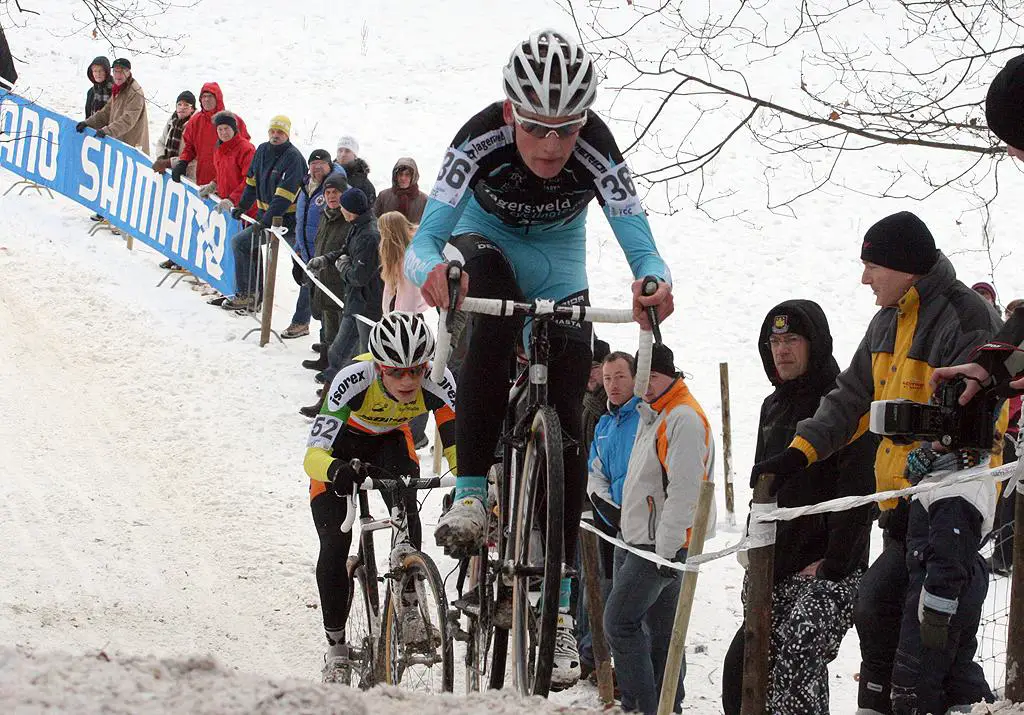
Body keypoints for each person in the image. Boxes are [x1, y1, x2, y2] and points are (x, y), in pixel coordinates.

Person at [404, 29, 673, 689]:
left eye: (567, 129)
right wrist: (433, 270)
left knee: (570, 398)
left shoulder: (598, 149)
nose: (553, 145)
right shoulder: (477, 140)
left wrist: (651, 281)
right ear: (509, 115)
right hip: (483, 239)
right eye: (537, 128)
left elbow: (642, 245)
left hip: (558, 257)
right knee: (491, 311)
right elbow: (424, 240)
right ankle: (472, 492)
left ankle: (552, 608)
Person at [749, 211, 1001, 714]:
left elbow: (976, 415)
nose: (864, 278)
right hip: (898, 513)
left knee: (927, 649)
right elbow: (850, 397)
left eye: (871, 266)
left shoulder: (963, 315)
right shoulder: (886, 320)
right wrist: (800, 453)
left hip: (950, 504)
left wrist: (932, 451)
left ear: (904, 266)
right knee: (876, 616)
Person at [720, 300, 876, 715]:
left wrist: (832, 565)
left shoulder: (843, 404)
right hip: (777, 566)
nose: (781, 350)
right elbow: (763, 489)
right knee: (742, 667)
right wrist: (755, 552)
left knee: (795, 658)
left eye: (791, 340)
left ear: (816, 344)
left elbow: (859, 495)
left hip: (833, 571)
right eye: (774, 341)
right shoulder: (771, 407)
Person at [302, 312, 457, 683]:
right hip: (341, 447)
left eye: (416, 371)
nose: (408, 380)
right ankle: (337, 649)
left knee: (407, 506)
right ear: (379, 367)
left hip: (390, 443)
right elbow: (312, 455)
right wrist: (335, 470)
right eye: (396, 372)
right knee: (335, 544)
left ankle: (407, 603)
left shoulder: (439, 380)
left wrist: (467, 487)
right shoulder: (352, 380)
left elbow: (456, 447)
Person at [603, 343, 714, 714]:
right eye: (642, 377)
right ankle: (669, 707)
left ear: (671, 373)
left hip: (656, 547)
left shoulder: (681, 417)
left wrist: (665, 552)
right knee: (662, 636)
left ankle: (641, 708)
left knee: (619, 623)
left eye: (653, 376)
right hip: (640, 540)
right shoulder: (656, 414)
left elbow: (685, 492)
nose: (646, 385)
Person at [580, 350, 638, 679]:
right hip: (607, 521)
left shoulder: (644, 417)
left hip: (642, 525)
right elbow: (596, 469)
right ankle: (597, 658)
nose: (612, 385)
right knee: (604, 588)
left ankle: (622, 670)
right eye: (608, 378)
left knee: (630, 603)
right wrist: (603, 505)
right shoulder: (604, 421)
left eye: (619, 377)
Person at [301, 187, 384, 413]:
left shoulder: (369, 234)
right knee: (342, 354)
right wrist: (325, 260)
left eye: (344, 208)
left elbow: (359, 276)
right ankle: (334, 401)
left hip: (366, 308)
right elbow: (343, 250)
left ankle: (355, 407)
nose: (342, 211)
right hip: (356, 303)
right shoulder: (357, 226)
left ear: (352, 211)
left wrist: (343, 267)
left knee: (362, 358)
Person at [224, 115, 306, 311]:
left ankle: (303, 317)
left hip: (290, 221)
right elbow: (251, 182)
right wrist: (243, 206)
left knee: (305, 266)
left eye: (280, 132)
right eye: (272, 131)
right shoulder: (261, 150)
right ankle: (248, 294)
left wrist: (266, 221)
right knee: (242, 242)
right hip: (266, 216)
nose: (275, 136)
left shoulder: (294, 158)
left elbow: (284, 196)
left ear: (287, 134)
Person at [300, 172, 351, 412]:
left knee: (343, 348)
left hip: (341, 292)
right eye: (328, 193)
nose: (331, 197)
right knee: (331, 342)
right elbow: (318, 245)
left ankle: (335, 395)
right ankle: (332, 388)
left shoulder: (349, 220)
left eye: (336, 193)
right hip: (323, 286)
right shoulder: (325, 215)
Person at [285, 149, 348, 340]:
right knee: (313, 295)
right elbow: (301, 217)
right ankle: (322, 344)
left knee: (327, 301)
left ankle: (327, 344)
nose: (317, 169)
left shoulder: (336, 187)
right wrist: (298, 248)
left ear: (330, 167)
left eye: (321, 166)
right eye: (313, 165)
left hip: (325, 254)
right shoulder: (306, 185)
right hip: (306, 251)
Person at [170, 82, 250, 188]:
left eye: (210, 96)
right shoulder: (195, 121)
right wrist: (183, 162)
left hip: (230, 181)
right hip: (204, 179)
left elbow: (245, 149)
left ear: (218, 98)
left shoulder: (233, 120)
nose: (206, 100)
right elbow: (189, 147)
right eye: (204, 96)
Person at [77, 57, 149, 154]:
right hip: (118, 141)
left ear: (128, 72)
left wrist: (108, 131)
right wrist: (87, 123)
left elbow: (128, 120)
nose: (118, 75)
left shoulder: (135, 92)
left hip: (131, 145)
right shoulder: (118, 88)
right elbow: (106, 112)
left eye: (121, 72)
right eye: (115, 71)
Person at [378, 211, 430, 314]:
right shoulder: (400, 255)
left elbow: (410, 295)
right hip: (402, 313)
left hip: (406, 317)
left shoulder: (405, 261)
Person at [151, 91, 196, 180]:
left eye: (186, 105)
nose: (182, 108)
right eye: (179, 104)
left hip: (188, 175)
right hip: (168, 171)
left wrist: (169, 163)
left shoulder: (195, 125)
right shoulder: (172, 121)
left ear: (192, 109)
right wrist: (161, 158)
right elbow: (161, 142)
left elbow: (194, 157)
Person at [373, 158, 427, 222]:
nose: (403, 178)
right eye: (400, 174)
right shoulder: (384, 196)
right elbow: (375, 220)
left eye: (407, 175)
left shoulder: (423, 200)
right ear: (395, 176)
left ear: (413, 177)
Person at [335, 136, 377, 204]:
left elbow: (369, 211)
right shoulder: (327, 173)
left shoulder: (364, 184)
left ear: (355, 155)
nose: (343, 154)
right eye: (340, 150)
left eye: (347, 151)